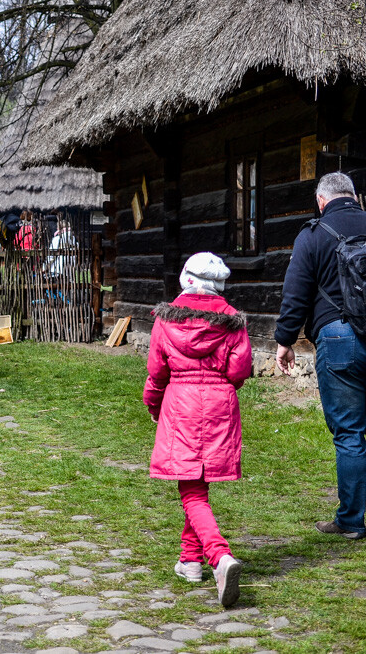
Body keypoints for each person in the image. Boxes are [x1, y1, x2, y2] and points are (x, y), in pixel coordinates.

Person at [143, 252, 251, 608]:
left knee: (191, 490)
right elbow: (239, 370)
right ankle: (190, 561)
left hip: (181, 402)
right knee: (197, 484)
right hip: (219, 404)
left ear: (187, 280)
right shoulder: (233, 322)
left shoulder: (166, 320)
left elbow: (157, 369)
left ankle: (218, 557)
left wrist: (153, 402)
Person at [276, 171, 366, 540]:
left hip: (338, 336)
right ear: (354, 196)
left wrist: (285, 341)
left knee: (349, 432)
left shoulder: (312, 235)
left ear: (321, 201)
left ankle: (350, 521)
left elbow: (296, 293)